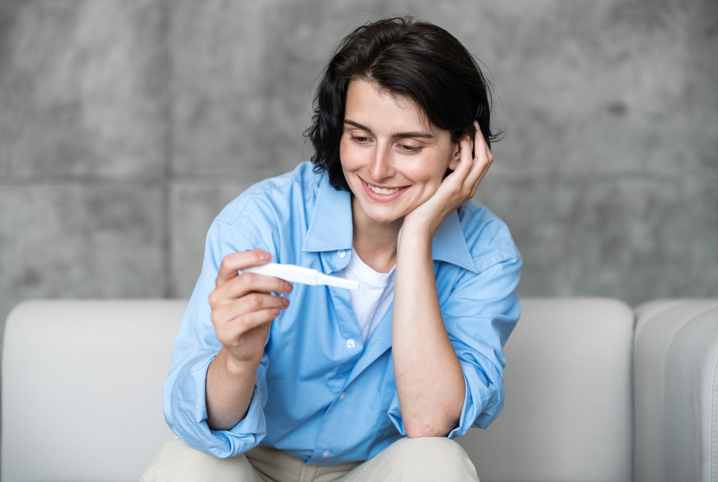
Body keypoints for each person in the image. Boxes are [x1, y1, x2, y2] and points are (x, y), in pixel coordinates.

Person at [143, 15, 521, 482]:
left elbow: (428, 424)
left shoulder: (487, 254)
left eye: (408, 145)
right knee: (187, 467)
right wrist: (237, 360)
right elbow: (204, 424)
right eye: (360, 138)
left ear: (462, 148)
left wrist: (418, 234)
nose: (378, 170)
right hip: (251, 461)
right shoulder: (261, 221)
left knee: (435, 463)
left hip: (371, 469)